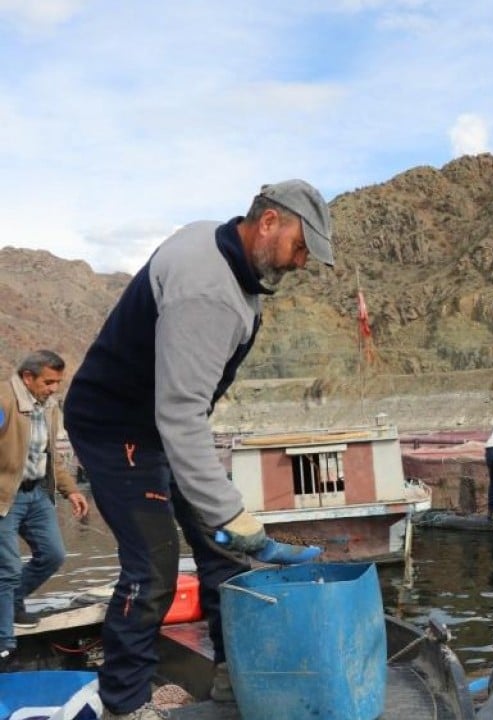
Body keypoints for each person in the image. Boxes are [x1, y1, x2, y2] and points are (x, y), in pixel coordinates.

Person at [64, 179, 334, 719]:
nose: (301, 264)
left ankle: (234, 679)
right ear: (269, 222)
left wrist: (226, 526)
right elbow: (181, 411)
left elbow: (183, 405)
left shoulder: (235, 265)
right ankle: (125, 704)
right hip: (117, 428)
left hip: (162, 425)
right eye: (301, 247)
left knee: (224, 556)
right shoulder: (208, 288)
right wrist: (235, 515)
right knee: (153, 570)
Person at [0, 350, 91, 671]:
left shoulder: (49, 408)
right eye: (48, 382)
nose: (54, 388)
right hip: (4, 497)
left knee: (53, 555)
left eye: (57, 383)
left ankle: (10, 603)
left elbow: (50, 455)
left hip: (36, 493)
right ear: (28, 378)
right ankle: (5, 645)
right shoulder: (4, 401)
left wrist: (72, 491)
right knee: (7, 568)